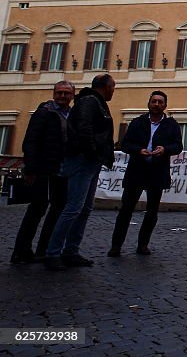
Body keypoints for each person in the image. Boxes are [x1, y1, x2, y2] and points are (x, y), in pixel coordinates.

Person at [44, 73, 116, 270]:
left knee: (84, 208)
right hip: (83, 159)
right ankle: (53, 253)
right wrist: (92, 151)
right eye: (112, 87)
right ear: (106, 87)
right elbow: (84, 128)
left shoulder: (95, 102)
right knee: (73, 207)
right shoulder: (90, 102)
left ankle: (71, 251)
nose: (113, 91)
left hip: (90, 160)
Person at [108, 90, 182, 256]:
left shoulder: (172, 125)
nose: (156, 104)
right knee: (126, 210)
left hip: (157, 171)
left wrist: (165, 149)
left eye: (160, 102)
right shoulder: (137, 122)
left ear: (165, 105)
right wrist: (138, 150)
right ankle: (116, 246)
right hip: (137, 170)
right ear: (149, 104)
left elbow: (178, 146)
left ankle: (143, 245)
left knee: (152, 212)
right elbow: (125, 144)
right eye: (154, 101)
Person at [10, 81, 74, 264]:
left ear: (72, 96)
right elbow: (31, 141)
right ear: (54, 94)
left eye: (66, 93)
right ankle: (21, 250)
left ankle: (43, 249)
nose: (62, 96)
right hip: (43, 169)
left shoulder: (70, 115)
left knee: (57, 210)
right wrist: (30, 169)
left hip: (61, 170)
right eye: (59, 93)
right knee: (36, 209)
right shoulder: (44, 113)